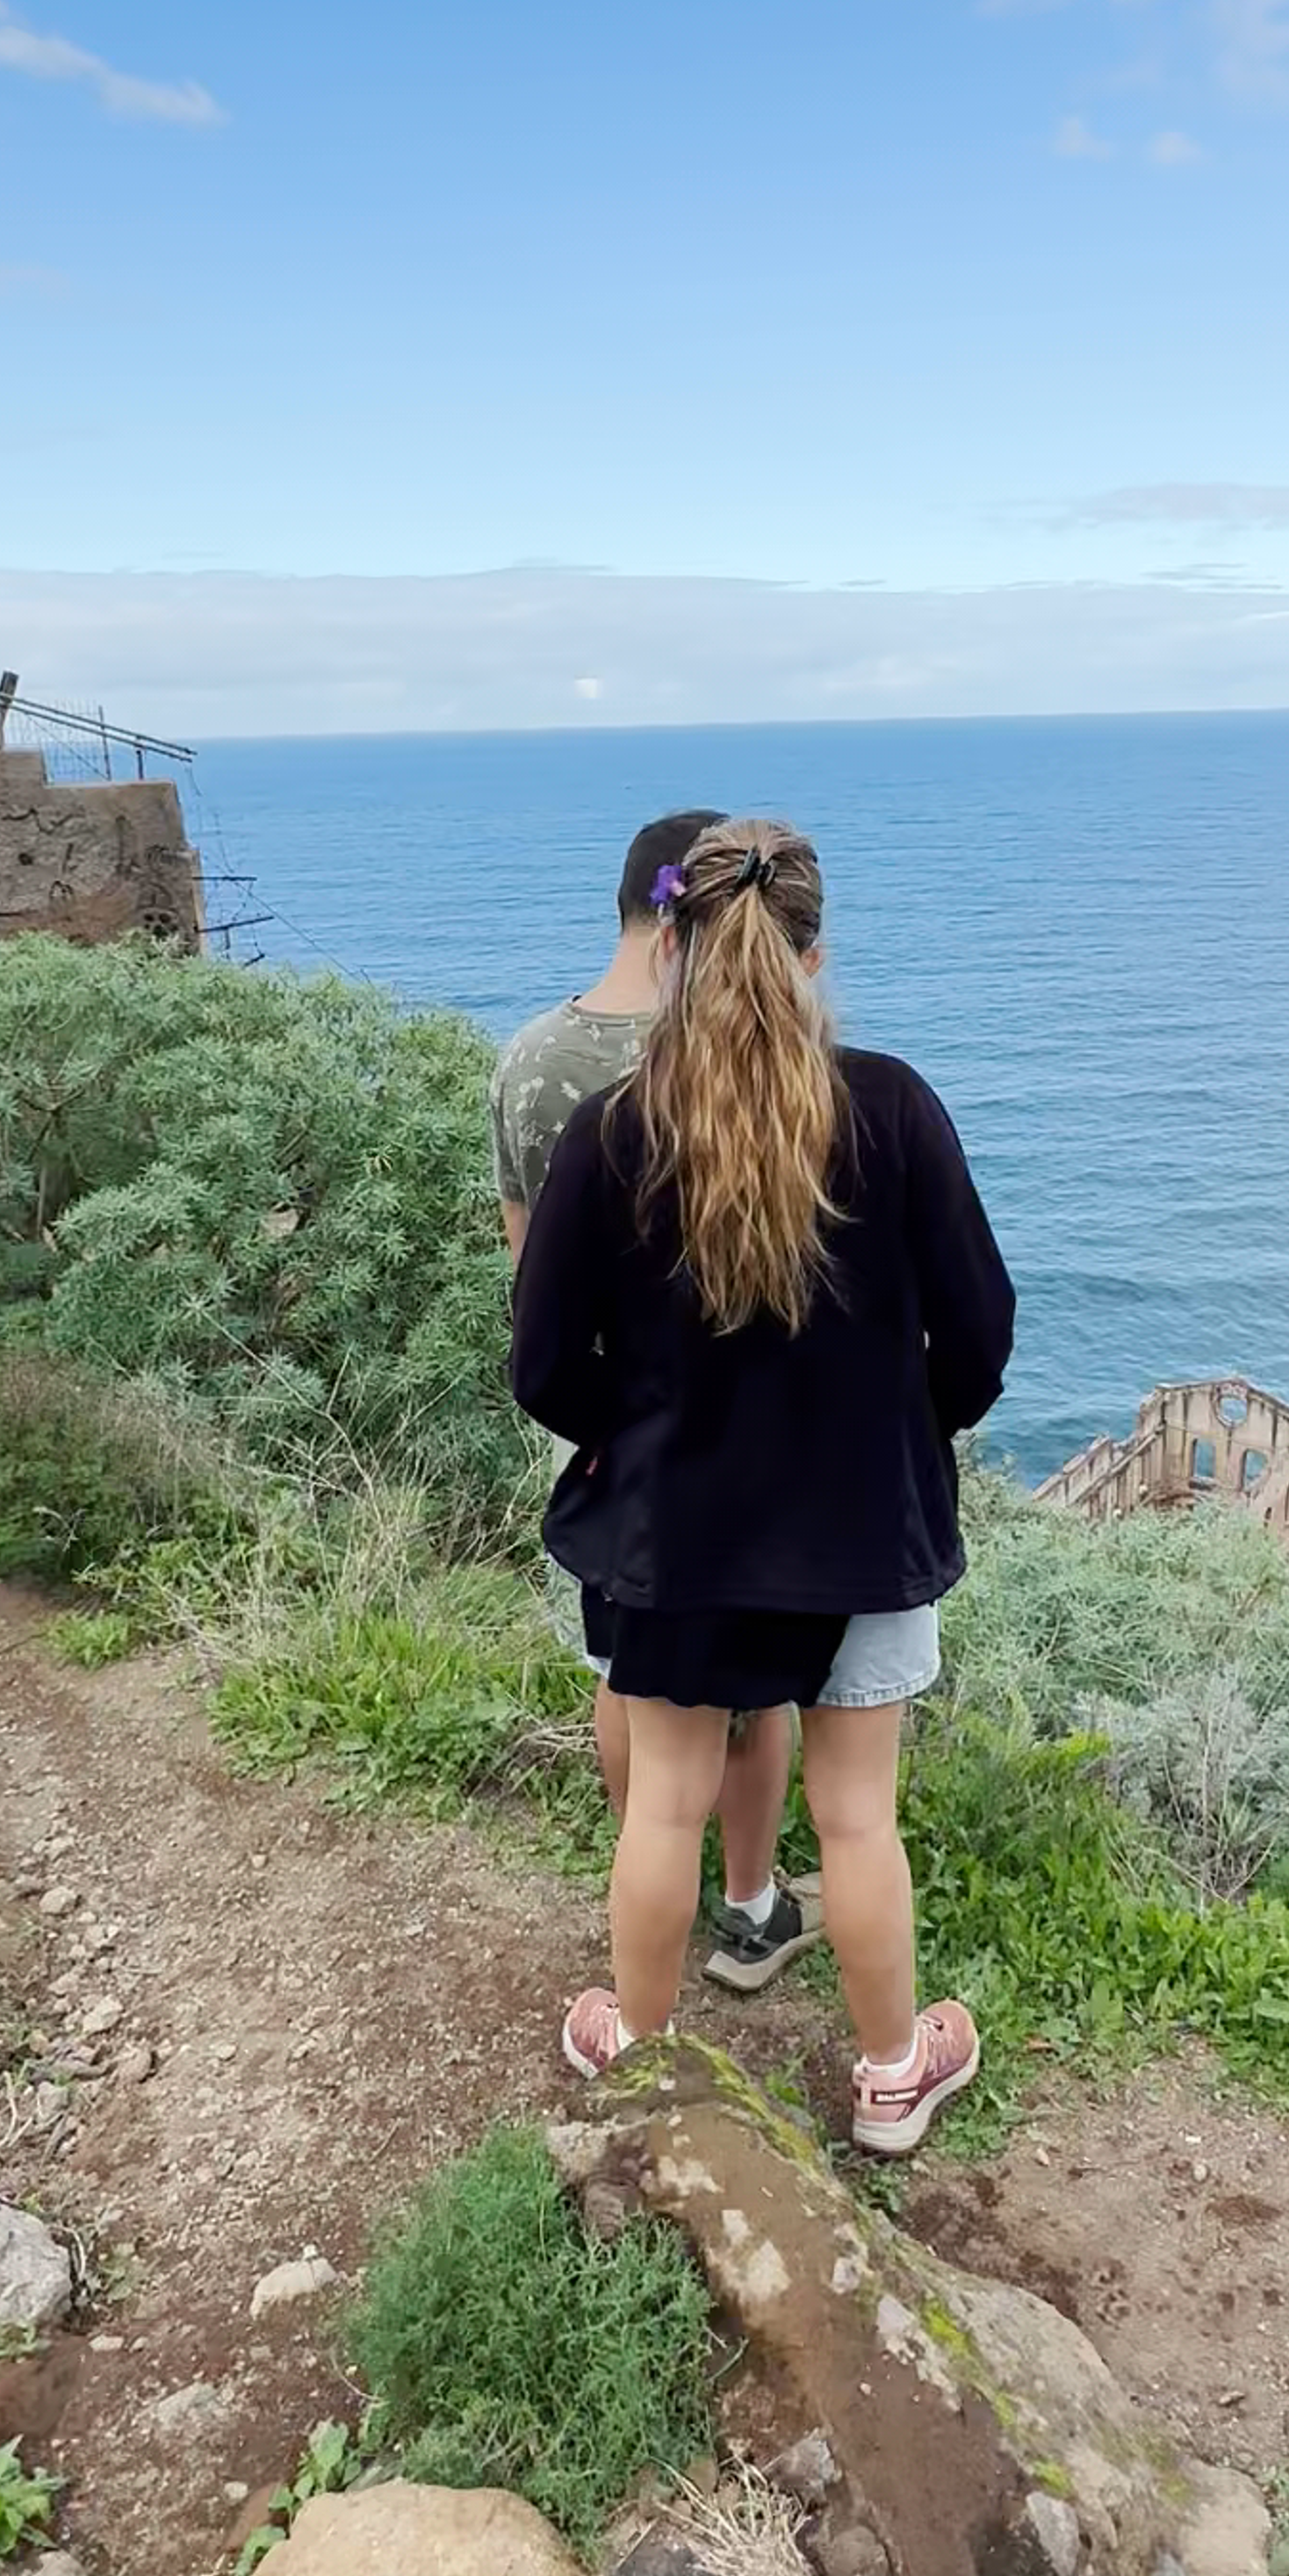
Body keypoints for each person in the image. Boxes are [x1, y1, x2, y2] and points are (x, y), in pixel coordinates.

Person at [510, 817, 1014, 2155]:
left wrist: (624, 1432)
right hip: (868, 1523)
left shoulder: (614, 1132)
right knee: (856, 1815)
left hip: (674, 1536)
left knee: (667, 1802)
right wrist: (912, 1431)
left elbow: (544, 1360)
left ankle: (644, 2062)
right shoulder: (896, 1107)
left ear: (671, 947)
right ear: (812, 955)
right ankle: (895, 2077)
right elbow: (981, 1334)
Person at [489, 808, 809, 1994]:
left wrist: (603, 1422)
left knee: (625, 1677)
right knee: (755, 1694)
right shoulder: (750, 1054)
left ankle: (644, 1892)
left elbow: (531, 1276)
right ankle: (750, 1903)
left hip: (609, 1435)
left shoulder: (532, 1061)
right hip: (760, 1442)